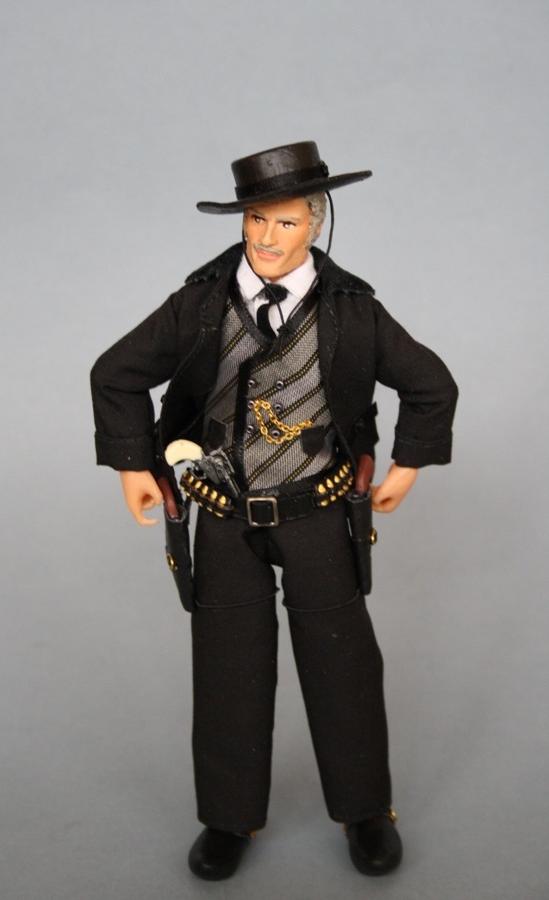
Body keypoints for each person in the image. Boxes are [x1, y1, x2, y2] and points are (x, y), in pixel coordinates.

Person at [90, 141, 458, 881]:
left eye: (285, 222)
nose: (267, 237)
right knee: (228, 666)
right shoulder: (200, 302)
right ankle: (229, 816)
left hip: (317, 512)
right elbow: (115, 373)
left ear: (315, 223)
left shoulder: (352, 310)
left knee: (342, 664)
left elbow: (431, 385)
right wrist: (134, 465)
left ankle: (364, 809)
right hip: (224, 515)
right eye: (256, 219)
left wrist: (407, 465)